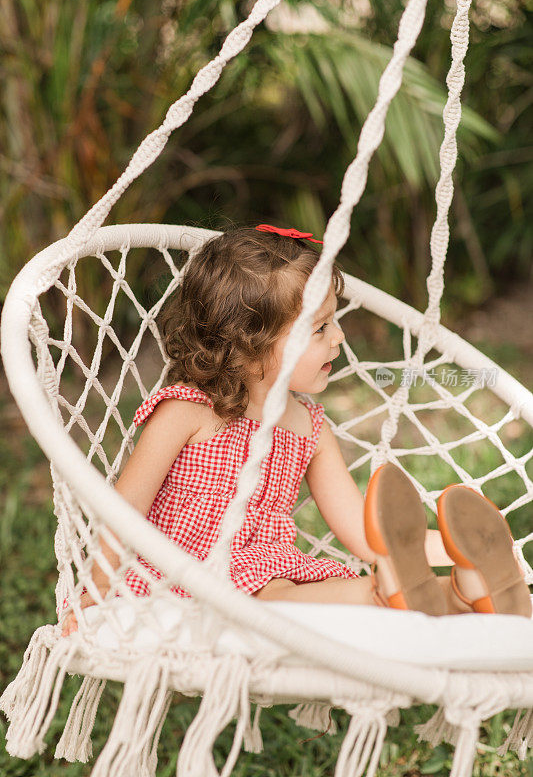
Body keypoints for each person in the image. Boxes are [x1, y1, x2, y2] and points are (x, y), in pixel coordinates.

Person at [62, 224, 531, 635]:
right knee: (282, 604)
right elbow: (124, 508)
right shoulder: (186, 412)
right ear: (247, 344)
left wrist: (450, 546)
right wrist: (100, 586)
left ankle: (462, 588)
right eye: (320, 328)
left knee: (309, 593)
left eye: (334, 322)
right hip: (186, 578)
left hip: (271, 573)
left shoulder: (309, 426)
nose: (340, 337)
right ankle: (392, 593)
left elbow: (362, 532)